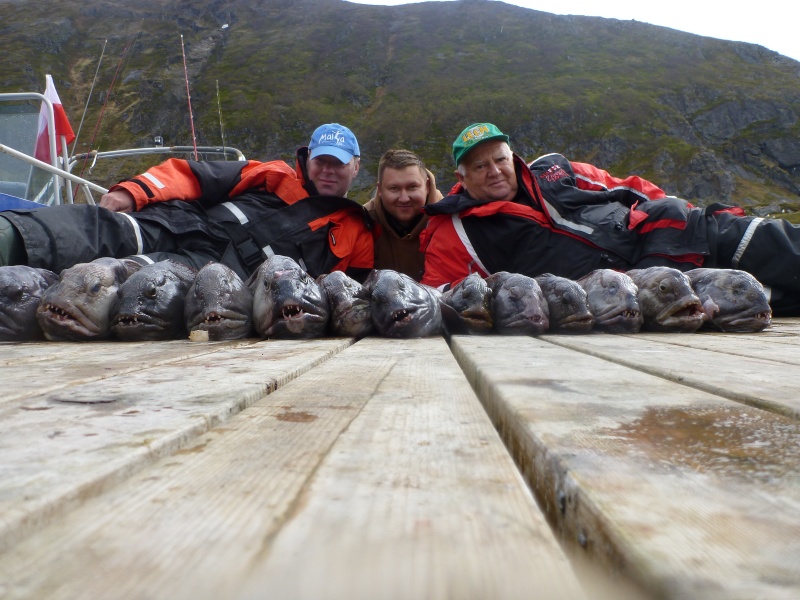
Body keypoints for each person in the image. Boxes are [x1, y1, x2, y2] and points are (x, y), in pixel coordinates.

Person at [421, 122, 800, 315]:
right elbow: (441, 294)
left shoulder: (553, 169)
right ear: (462, 177)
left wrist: (687, 214)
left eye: (500, 159)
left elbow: (631, 188)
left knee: (781, 247)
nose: (495, 170)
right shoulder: (456, 230)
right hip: (641, 294)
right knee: (771, 301)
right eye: (480, 165)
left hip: (681, 235)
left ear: (512, 156)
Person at [0, 123, 374, 281]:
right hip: (184, 221)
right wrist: (133, 190)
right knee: (97, 226)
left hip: (217, 273)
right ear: (308, 159)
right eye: (321, 161)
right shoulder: (271, 172)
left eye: (338, 164)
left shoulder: (357, 230)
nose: (328, 171)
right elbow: (195, 174)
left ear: (355, 167)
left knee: (127, 277)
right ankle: (9, 239)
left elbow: (352, 293)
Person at [363, 149, 442, 280]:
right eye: (394, 188)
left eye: (412, 187)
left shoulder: (448, 219)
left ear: (427, 186)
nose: (404, 198)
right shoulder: (363, 221)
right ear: (380, 190)